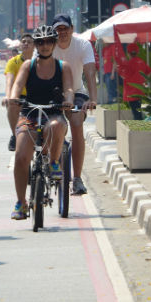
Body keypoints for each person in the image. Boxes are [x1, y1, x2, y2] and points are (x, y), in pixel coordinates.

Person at [9, 25, 74, 220]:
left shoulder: (63, 66)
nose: (44, 46)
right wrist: (13, 98)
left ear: (54, 43)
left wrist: (68, 101)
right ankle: (21, 202)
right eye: (40, 42)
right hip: (29, 112)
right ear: (36, 45)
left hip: (53, 112)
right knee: (21, 157)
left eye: (48, 42)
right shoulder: (28, 65)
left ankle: (54, 162)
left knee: (56, 126)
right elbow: (18, 85)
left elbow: (69, 88)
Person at [50, 13, 97, 195]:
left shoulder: (83, 45)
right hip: (54, 94)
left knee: (76, 123)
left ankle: (77, 178)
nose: (62, 33)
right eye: (58, 30)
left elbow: (90, 72)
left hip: (77, 91)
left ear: (72, 29)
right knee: (49, 126)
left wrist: (93, 98)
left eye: (65, 29)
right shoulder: (49, 46)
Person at [2, 33, 34, 151]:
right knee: (12, 105)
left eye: (29, 42)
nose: (26, 44)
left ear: (34, 46)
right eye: (23, 41)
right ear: (20, 45)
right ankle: (15, 134)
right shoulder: (13, 62)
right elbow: (9, 81)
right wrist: (8, 96)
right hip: (19, 96)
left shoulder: (40, 61)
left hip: (36, 96)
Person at [115, 43, 151, 120]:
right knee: (138, 111)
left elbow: (123, 76)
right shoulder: (141, 62)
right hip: (140, 90)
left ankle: (139, 129)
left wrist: (118, 70)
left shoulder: (128, 64)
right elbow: (149, 71)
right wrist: (144, 80)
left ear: (128, 53)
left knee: (136, 114)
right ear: (137, 52)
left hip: (131, 93)